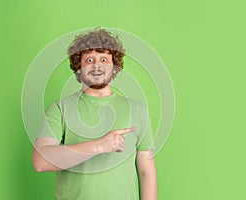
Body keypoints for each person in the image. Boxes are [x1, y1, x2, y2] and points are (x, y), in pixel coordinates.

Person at [32, 28, 157, 200]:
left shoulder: (137, 110)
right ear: (78, 68)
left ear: (114, 68)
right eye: (89, 60)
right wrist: (100, 146)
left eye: (104, 59)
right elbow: (41, 161)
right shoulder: (60, 108)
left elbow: (146, 171)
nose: (97, 65)